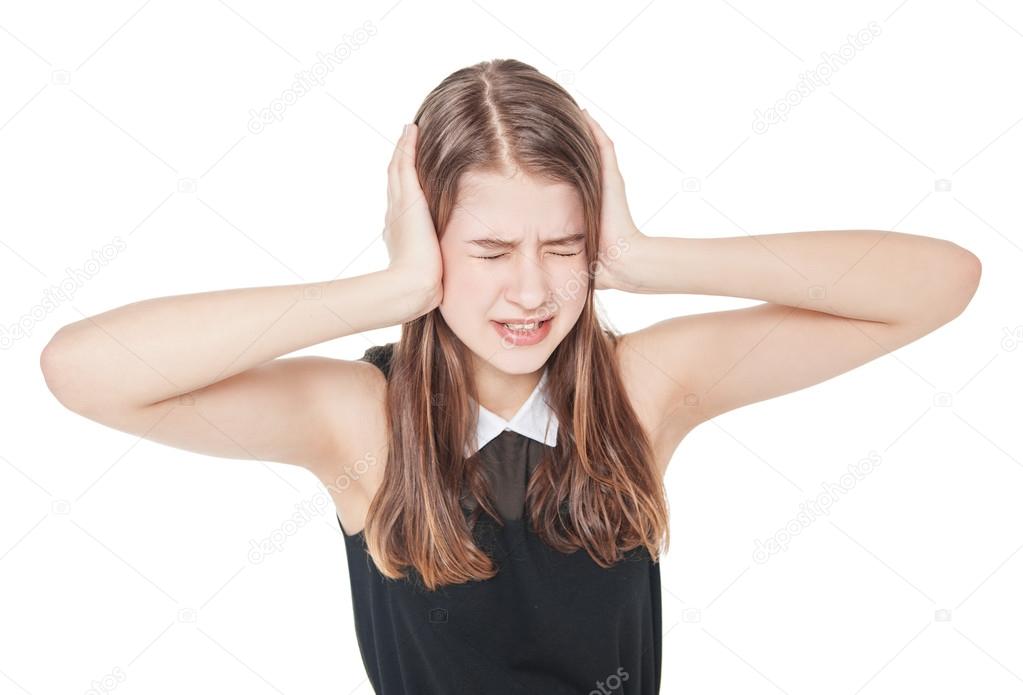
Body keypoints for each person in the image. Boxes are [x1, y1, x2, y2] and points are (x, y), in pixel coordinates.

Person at [39, 58, 982, 694]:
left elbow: (938, 284)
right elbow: (85, 371)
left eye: (562, 246)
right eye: (488, 251)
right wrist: (388, 288)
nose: (530, 291)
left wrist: (645, 258)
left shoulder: (642, 390)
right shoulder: (359, 421)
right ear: (427, 240)